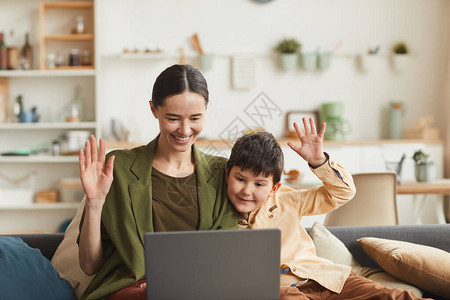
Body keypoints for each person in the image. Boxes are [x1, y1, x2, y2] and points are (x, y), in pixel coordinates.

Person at [78, 64, 238, 300]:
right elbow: (89, 266)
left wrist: (315, 165)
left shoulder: (221, 172)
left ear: (206, 110)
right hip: (134, 292)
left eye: (195, 118)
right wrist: (94, 203)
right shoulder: (117, 168)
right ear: (154, 110)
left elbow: (227, 256)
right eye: (173, 118)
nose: (184, 130)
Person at [225, 118, 428, 300]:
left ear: (273, 188)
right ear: (227, 174)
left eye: (259, 184)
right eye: (240, 179)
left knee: (396, 296)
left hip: (326, 279)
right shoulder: (216, 214)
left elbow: (343, 192)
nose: (247, 191)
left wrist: (319, 161)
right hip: (283, 290)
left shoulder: (287, 199)